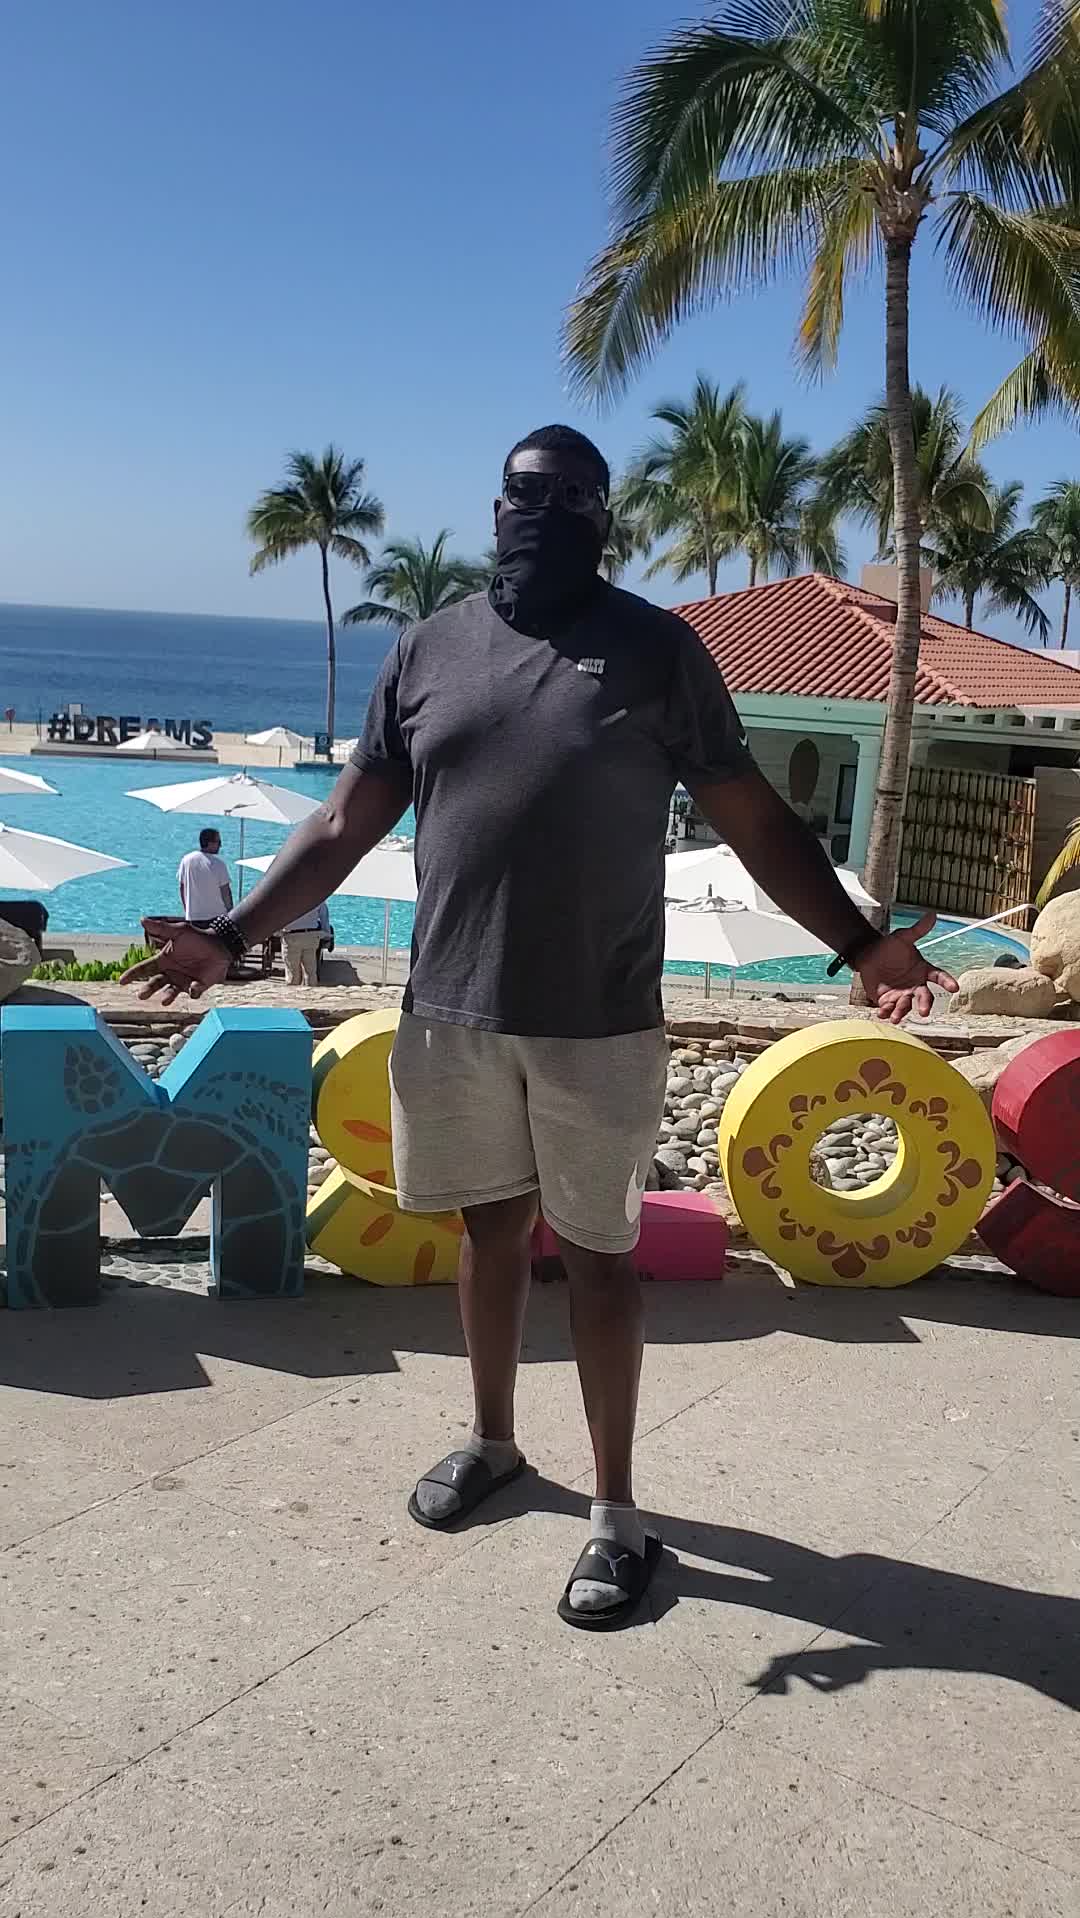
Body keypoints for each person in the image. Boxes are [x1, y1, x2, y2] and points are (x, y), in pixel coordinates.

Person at [126, 422, 958, 1630]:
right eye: (529, 489)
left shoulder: (659, 650)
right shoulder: (428, 647)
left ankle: (617, 1512)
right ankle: (494, 1441)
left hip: (598, 1022)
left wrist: (858, 940)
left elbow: (754, 821)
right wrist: (234, 933)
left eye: (575, 495)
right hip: (451, 1007)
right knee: (488, 1230)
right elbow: (344, 822)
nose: (548, 509)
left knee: (603, 1256)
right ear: (496, 505)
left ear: (603, 518)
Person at [177, 828, 233, 924]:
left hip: (193, 917)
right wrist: (231, 913)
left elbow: (182, 888)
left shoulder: (186, 860)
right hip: (217, 917)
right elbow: (226, 893)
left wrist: (187, 911)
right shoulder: (219, 864)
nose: (220, 846)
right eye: (218, 842)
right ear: (210, 843)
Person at [281, 898, 331, 985]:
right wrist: (327, 934)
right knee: (311, 972)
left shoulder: (286, 898)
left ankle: (293, 992)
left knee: (293, 974)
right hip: (311, 936)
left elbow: (276, 916)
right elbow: (324, 918)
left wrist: (277, 932)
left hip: (292, 936)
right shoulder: (317, 897)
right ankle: (310, 991)